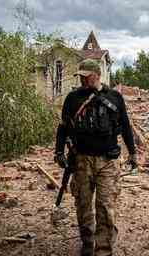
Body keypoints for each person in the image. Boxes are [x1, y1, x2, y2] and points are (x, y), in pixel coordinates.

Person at [54, 59, 137, 256]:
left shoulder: (115, 97)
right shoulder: (73, 98)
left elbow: (125, 126)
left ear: (97, 75)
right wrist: (59, 152)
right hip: (81, 160)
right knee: (83, 205)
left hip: (108, 162)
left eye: (86, 76)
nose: (83, 80)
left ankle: (104, 249)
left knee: (105, 206)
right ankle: (87, 243)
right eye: (81, 76)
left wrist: (133, 153)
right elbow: (63, 128)